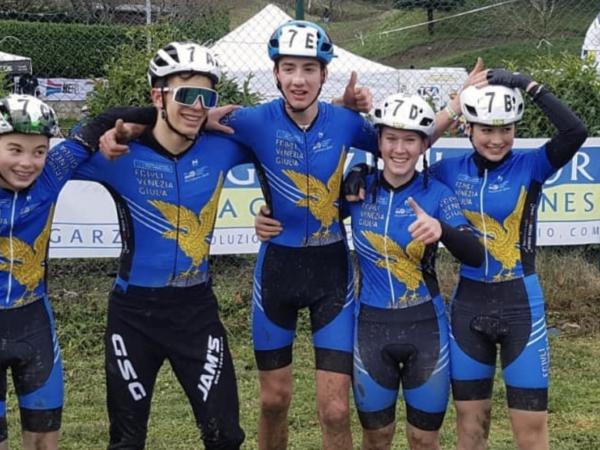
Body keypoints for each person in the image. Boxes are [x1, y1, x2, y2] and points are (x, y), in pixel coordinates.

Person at [256, 93, 484, 450]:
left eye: (410, 140)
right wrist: (265, 218)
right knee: (376, 439)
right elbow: (306, 215)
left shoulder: (438, 195)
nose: (399, 149)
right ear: (378, 141)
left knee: (424, 440)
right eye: (391, 138)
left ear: (424, 145)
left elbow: (476, 255)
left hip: (426, 328)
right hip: (371, 330)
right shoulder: (358, 192)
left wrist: (442, 230)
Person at [71, 42, 252, 450]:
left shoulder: (224, 147)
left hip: (196, 312)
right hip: (133, 315)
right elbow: (42, 159)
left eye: (207, 97)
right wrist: (113, 125)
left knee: (226, 436)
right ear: (158, 96)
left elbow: (287, 130)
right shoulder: (117, 153)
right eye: (186, 94)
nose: (197, 106)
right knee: (127, 441)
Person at [428, 70, 588, 450]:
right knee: (470, 431)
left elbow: (575, 131)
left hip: (521, 309)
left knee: (531, 434)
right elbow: (405, 153)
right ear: (469, 129)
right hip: (468, 309)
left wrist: (527, 84)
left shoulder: (532, 166)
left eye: (506, 130)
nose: (497, 140)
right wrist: (358, 176)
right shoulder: (447, 170)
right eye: (487, 130)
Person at [0, 94, 95, 450]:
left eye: (39, 151)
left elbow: (105, 123)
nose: (27, 162)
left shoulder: (52, 172)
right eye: (14, 149)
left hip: (34, 323)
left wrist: (198, 117)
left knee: (44, 441)